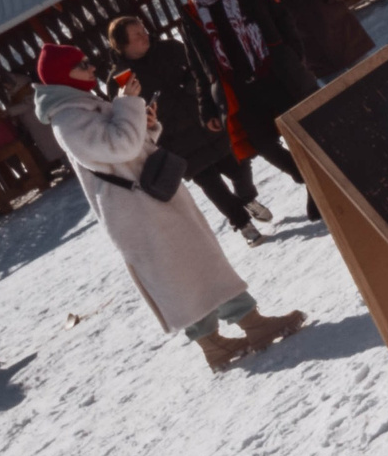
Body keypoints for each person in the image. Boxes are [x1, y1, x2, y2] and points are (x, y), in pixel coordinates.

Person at [31, 45, 306, 371]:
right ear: (64, 75)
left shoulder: (83, 105)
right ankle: (250, 325)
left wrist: (147, 124)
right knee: (188, 267)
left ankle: (214, 343)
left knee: (185, 268)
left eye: (88, 60)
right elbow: (119, 147)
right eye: (81, 64)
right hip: (138, 210)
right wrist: (128, 104)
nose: (91, 67)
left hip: (147, 203)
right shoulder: (68, 118)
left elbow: (130, 145)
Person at [177, 0, 325, 224]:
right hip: (240, 89)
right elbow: (199, 66)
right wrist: (207, 107)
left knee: (299, 131)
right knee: (263, 145)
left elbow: (283, 19)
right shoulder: (191, 14)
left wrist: (291, 54)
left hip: (275, 73)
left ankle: (319, 187)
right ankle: (311, 181)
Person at [107, 15, 274, 245]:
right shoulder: (120, 79)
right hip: (175, 140)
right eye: (136, 34)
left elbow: (201, 72)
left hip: (206, 121)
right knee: (212, 185)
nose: (144, 34)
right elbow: (123, 114)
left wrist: (192, 88)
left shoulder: (171, 48)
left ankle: (247, 198)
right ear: (122, 44)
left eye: (143, 29)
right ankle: (243, 223)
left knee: (240, 165)